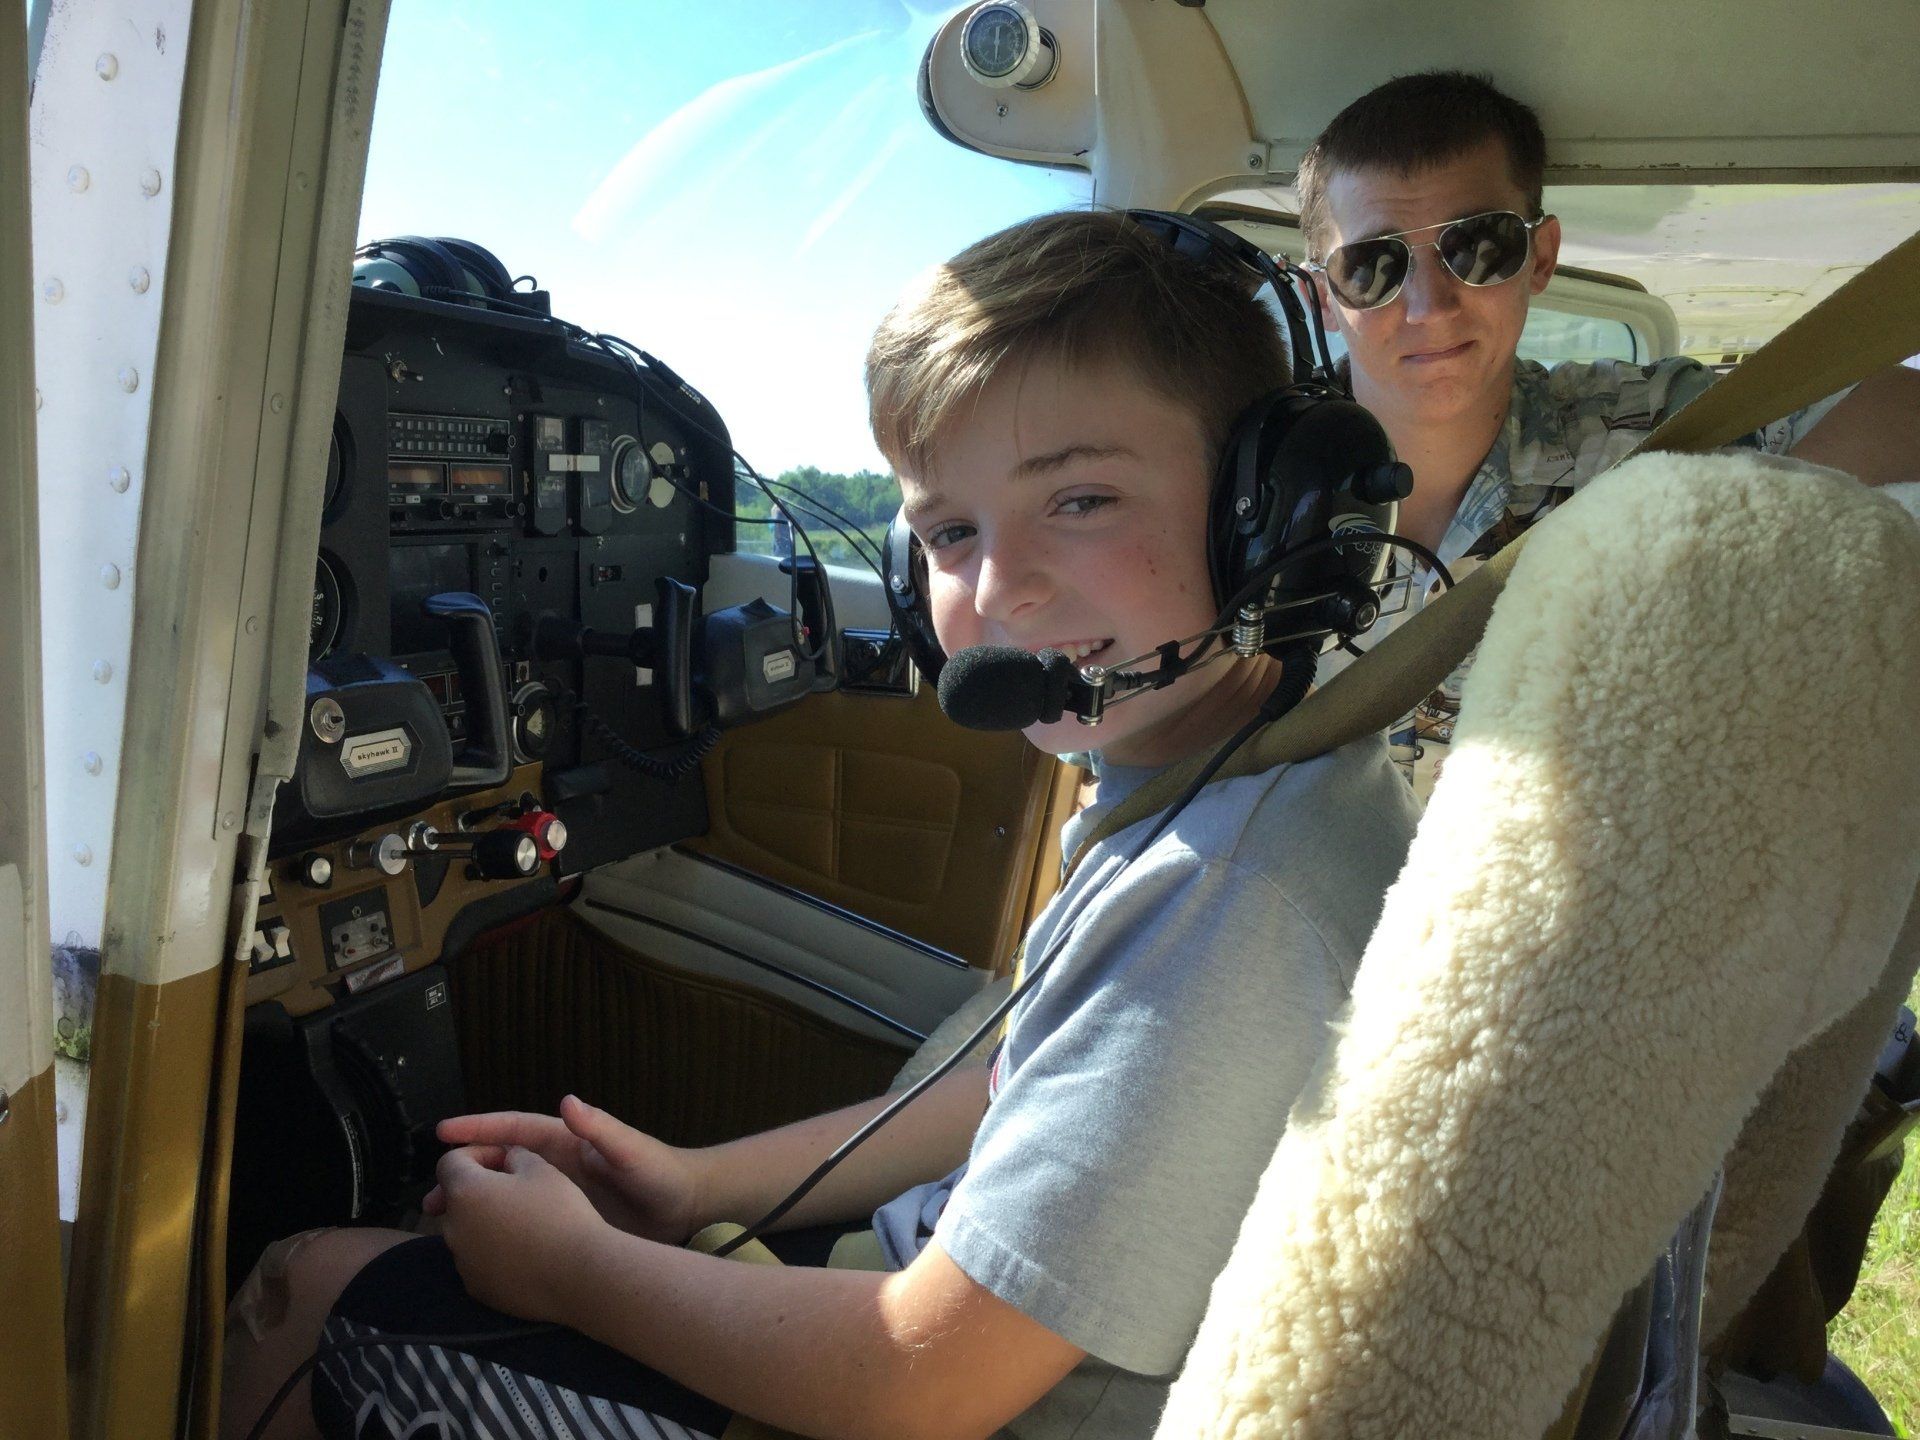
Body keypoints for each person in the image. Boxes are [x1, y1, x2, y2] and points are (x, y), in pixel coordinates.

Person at [220, 210, 1422, 1440]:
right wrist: (690, 1187)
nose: (1000, 591)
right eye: (951, 531)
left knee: (306, 1290)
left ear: (1268, 515)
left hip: (937, 1395)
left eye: (1081, 497)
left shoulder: (1229, 900)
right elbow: (1023, 1089)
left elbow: (917, 1383)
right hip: (923, 1319)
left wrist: (570, 1269)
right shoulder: (1252, 779)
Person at [1295, 71, 1920, 797]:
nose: (1431, 305)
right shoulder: (1238, 484)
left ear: (1543, 257)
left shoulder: (1640, 432)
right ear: (1323, 299)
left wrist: (1730, 577)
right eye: (1373, 266)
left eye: (1479, 246)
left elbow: (1894, 406)